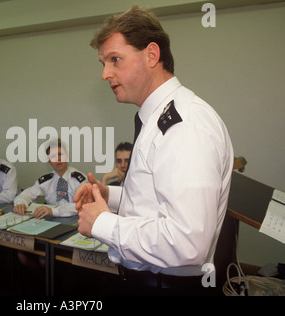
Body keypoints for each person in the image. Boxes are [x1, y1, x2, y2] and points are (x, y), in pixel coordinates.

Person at [74, 5, 233, 293]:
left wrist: (102, 223)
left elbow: (186, 242)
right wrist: (110, 196)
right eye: (103, 63)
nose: (105, 74)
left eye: (115, 59)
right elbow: (157, 198)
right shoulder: (158, 118)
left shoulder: (184, 125)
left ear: (151, 55)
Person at [13, 139, 87, 218]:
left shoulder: (79, 180)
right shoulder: (46, 180)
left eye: (60, 154)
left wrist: (53, 211)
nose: (58, 159)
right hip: (51, 221)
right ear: (49, 161)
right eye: (53, 156)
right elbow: (25, 195)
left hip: (77, 221)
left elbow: (83, 205)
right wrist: (20, 203)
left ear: (67, 157)